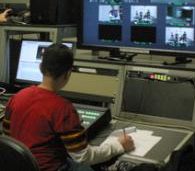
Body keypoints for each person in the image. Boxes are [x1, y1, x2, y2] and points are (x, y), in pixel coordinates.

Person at [2, 43, 134, 171]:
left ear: (41, 68)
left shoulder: (16, 98)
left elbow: (9, 138)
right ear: (68, 73)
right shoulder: (62, 108)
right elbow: (83, 157)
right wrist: (118, 145)